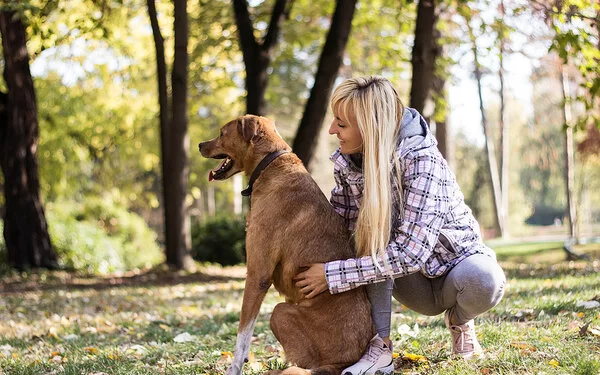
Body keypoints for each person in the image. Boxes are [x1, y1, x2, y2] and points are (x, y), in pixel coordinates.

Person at [294, 76, 506, 375]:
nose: (332, 130)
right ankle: (379, 347)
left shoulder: (423, 161)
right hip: (410, 283)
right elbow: (339, 228)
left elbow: (411, 253)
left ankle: (460, 320)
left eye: (341, 124)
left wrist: (331, 275)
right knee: (369, 238)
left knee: (485, 281)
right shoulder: (348, 162)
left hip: (453, 270)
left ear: (369, 126)